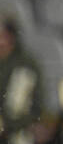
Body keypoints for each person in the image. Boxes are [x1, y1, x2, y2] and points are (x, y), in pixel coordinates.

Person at [0, 15, 53, 144]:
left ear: (10, 36)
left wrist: (8, 123)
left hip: (18, 131)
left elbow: (37, 105)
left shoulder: (26, 65)